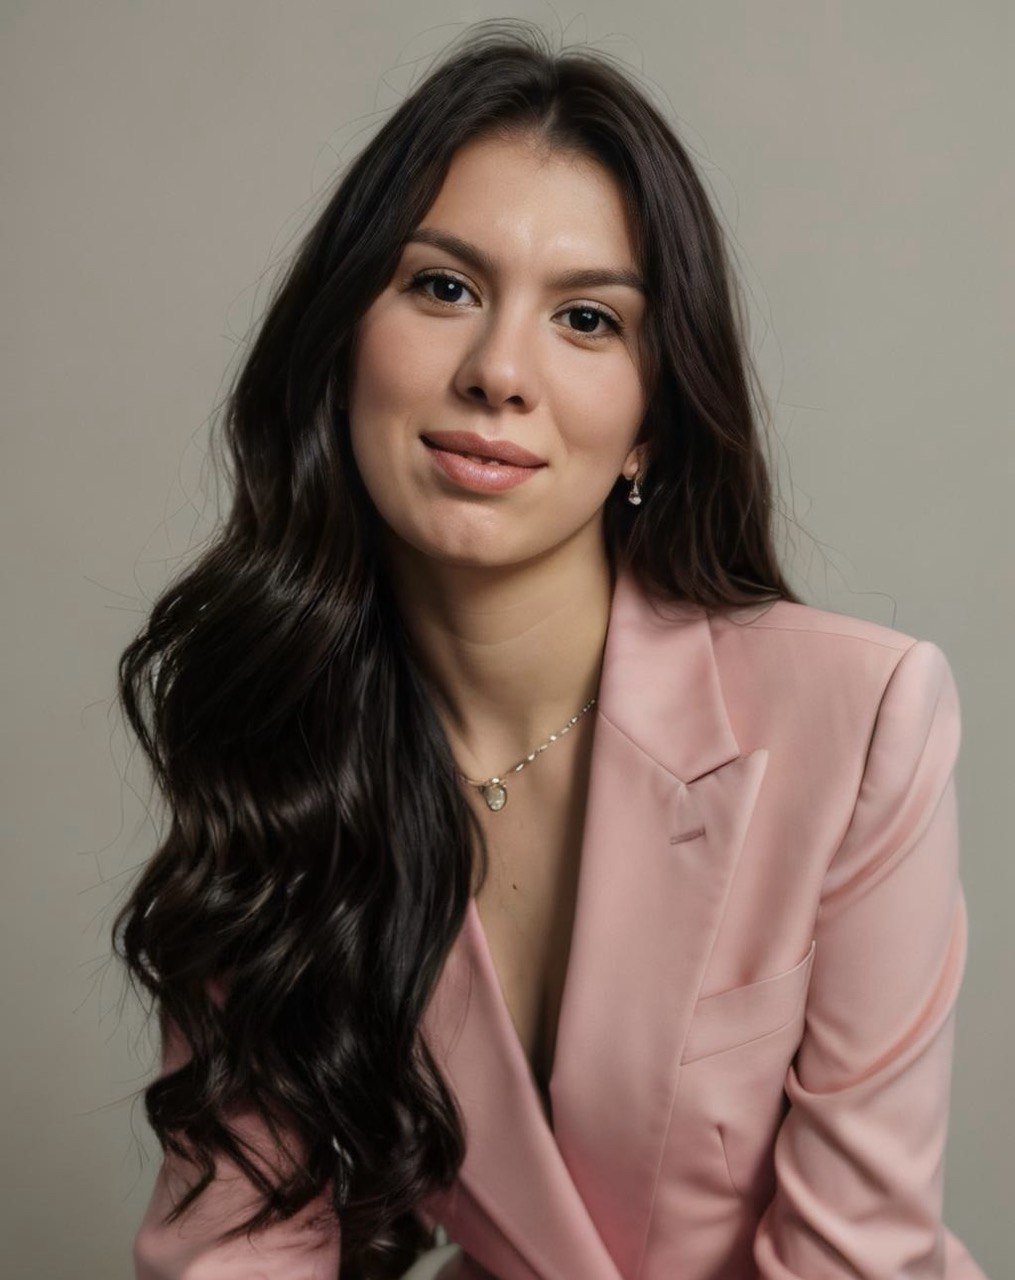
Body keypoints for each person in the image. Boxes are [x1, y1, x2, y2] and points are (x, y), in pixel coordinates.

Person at [119, 19, 989, 1280]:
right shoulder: (285, 738)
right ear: (341, 341)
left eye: (585, 318)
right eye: (443, 288)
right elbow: (233, 1244)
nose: (498, 372)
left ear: (648, 424)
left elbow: (853, 1259)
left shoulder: (862, 718)